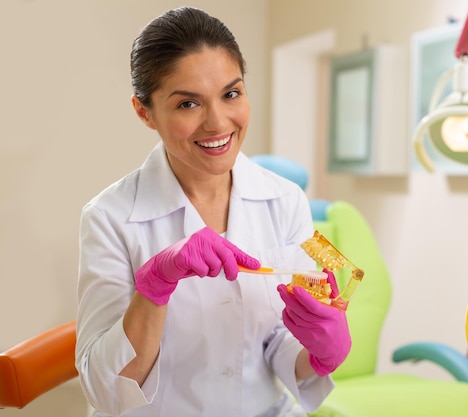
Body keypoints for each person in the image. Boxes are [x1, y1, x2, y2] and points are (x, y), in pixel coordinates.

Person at [75, 7, 351, 417]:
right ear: (144, 112)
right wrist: (153, 289)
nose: (218, 122)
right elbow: (105, 389)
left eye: (231, 93)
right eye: (188, 104)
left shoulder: (286, 200)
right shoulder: (110, 217)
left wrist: (319, 354)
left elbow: (274, 341)